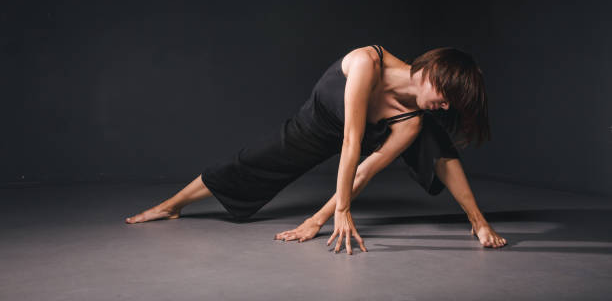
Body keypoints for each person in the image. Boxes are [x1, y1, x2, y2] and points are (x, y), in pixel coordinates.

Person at [125, 45, 507, 254]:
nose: (445, 107)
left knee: (434, 141)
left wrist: (317, 219)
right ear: (430, 73)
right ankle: (171, 205)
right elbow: (350, 143)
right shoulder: (367, 62)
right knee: (251, 162)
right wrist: (341, 209)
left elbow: (363, 170)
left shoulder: (411, 121)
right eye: (445, 98)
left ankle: (478, 221)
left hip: (371, 134)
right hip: (321, 122)